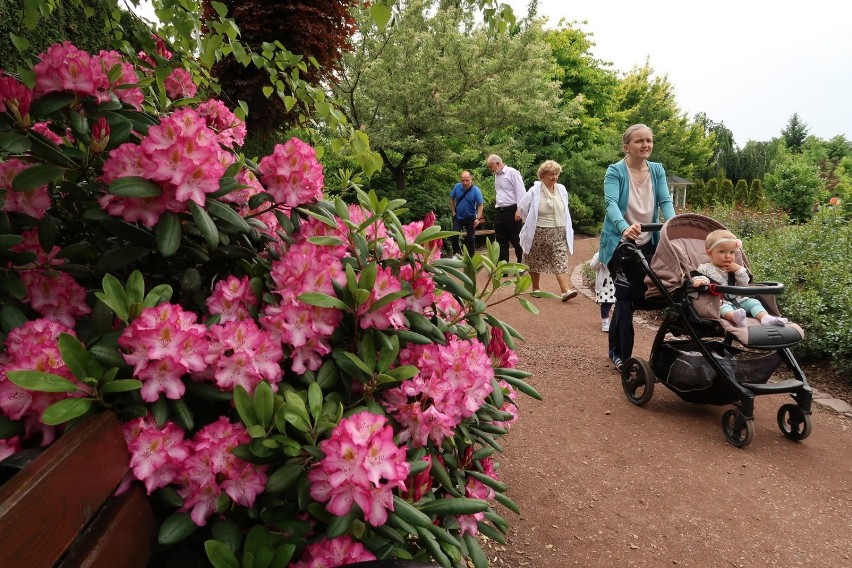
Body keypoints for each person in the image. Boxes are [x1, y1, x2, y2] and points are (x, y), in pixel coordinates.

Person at [600, 124, 676, 371]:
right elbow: (611, 203)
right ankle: (621, 355)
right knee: (624, 299)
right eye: (639, 141)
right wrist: (624, 227)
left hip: (649, 241)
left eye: (649, 141)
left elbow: (665, 200)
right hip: (621, 244)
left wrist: (673, 226)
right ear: (626, 147)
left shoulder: (657, 170)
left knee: (639, 295)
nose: (646, 145)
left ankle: (621, 347)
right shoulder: (616, 171)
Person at [690, 229, 788, 327]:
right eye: (722, 252)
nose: (728, 256)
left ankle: (765, 318)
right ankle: (734, 317)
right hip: (719, 301)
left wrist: (739, 271)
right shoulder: (705, 268)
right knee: (722, 308)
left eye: (732, 252)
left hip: (739, 300)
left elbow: (744, 286)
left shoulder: (735, 269)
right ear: (710, 253)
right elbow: (698, 277)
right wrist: (700, 281)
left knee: (754, 302)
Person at [517, 160, 578, 301]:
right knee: (534, 260)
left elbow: (565, 209)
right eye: (551, 174)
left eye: (556, 174)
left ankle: (565, 291)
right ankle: (536, 288)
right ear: (543, 175)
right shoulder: (534, 190)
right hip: (538, 232)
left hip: (558, 231)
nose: (555, 177)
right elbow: (522, 208)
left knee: (560, 259)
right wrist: (531, 221)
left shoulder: (561, 189)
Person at [486, 154, 525, 265]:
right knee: (501, 240)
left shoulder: (512, 173)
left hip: (512, 210)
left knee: (516, 239)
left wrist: (519, 210)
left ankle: (521, 264)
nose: (490, 170)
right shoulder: (497, 175)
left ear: (498, 163)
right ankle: (503, 267)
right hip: (500, 210)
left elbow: (521, 192)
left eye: (491, 167)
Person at [449, 170, 484, 256]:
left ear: (471, 179)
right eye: (463, 180)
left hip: (471, 217)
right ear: (460, 180)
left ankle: (471, 258)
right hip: (458, 217)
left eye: (467, 180)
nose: (464, 182)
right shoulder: (457, 187)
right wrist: (453, 212)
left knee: (471, 239)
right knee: (454, 235)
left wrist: (478, 218)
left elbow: (480, 205)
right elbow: (451, 199)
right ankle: (456, 256)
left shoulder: (476, 190)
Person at [588, 251, 615, 332]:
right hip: (605, 284)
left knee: (620, 303)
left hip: (616, 283)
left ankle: (616, 322)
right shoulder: (599, 254)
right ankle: (605, 322)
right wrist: (601, 257)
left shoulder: (619, 251)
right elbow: (593, 267)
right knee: (606, 303)